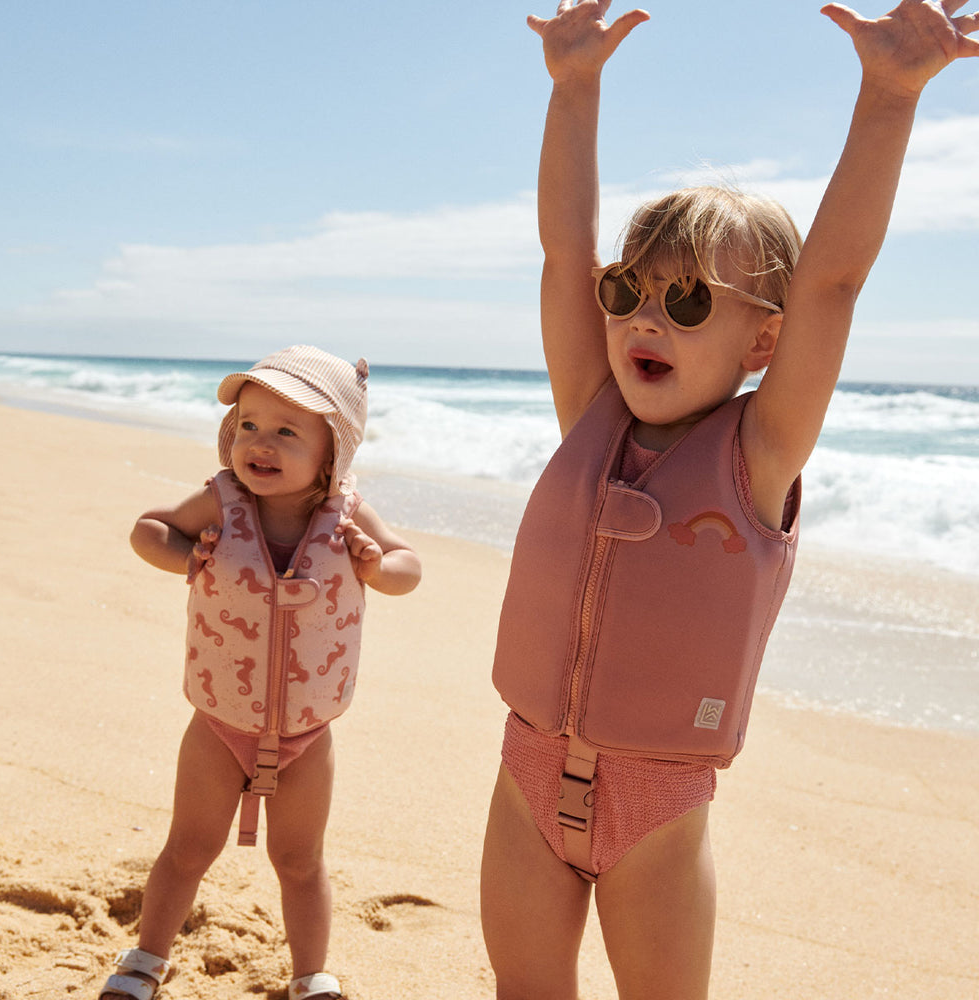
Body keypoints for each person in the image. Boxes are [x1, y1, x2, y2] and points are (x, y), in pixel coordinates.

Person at [480, 2, 978, 998]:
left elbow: (831, 284)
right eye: (628, 292)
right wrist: (572, 90)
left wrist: (886, 99)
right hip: (525, 779)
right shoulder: (590, 410)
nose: (642, 318)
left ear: (761, 342)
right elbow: (561, 252)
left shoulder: (758, 456)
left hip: (655, 812)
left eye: (690, 299)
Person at [98, 345, 422, 1000]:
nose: (260, 443)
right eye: (248, 425)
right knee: (188, 848)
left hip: (309, 736)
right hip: (218, 724)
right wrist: (189, 558)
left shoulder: (350, 516)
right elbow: (147, 530)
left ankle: (311, 975)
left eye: (284, 431)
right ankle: (145, 959)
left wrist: (374, 568)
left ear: (332, 451)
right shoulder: (222, 501)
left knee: (300, 861)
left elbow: (408, 567)